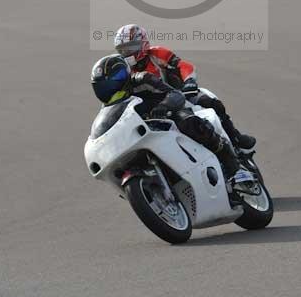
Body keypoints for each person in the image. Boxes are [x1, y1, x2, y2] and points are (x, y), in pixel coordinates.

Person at [90, 54, 246, 182]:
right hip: (144, 131)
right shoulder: (109, 108)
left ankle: (232, 165)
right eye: (105, 86)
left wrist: (163, 107)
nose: (112, 86)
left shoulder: (143, 79)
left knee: (188, 122)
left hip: (170, 113)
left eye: (117, 78)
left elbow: (174, 94)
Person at [113, 24, 256, 151]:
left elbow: (183, 66)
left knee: (210, 102)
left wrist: (189, 81)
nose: (127, 53)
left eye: (130, 47)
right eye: (123, 50)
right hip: (153, 109)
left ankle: (235, 137)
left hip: (179, 95)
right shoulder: (124, 69)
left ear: (142, 43)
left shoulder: (157, 53)